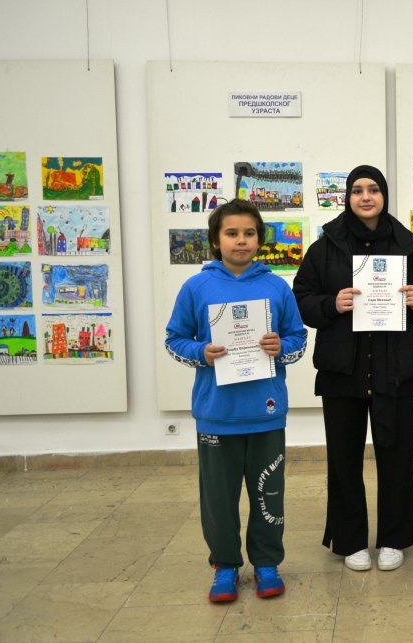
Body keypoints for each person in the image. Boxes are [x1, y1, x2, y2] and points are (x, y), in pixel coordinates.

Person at [292, 165, 413, 572]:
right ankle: (351, 540)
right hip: (343, 370)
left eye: (373, 189)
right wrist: (331, 304)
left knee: (397, 458)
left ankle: (395, 538)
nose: (365, 197)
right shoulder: (325, 247)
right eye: (357, 190)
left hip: (395, 368)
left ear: (384, 195)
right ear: (347, 197)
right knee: (343, 460)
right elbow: (302, 298)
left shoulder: (408, 246)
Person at [165, 198, 308, 603]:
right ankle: (225, 565)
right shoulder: (196, 287)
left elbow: (298, 340)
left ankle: (266, 563)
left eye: (249, 233)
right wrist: (201, 352)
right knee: (219, 500)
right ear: (216, 240)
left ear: (259, 239)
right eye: (232, 233)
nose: (241, 240)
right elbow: (174, 340)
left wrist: (281, 347)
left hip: (266, 414)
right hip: (217, 415)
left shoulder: (276, 287)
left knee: (268, 494)